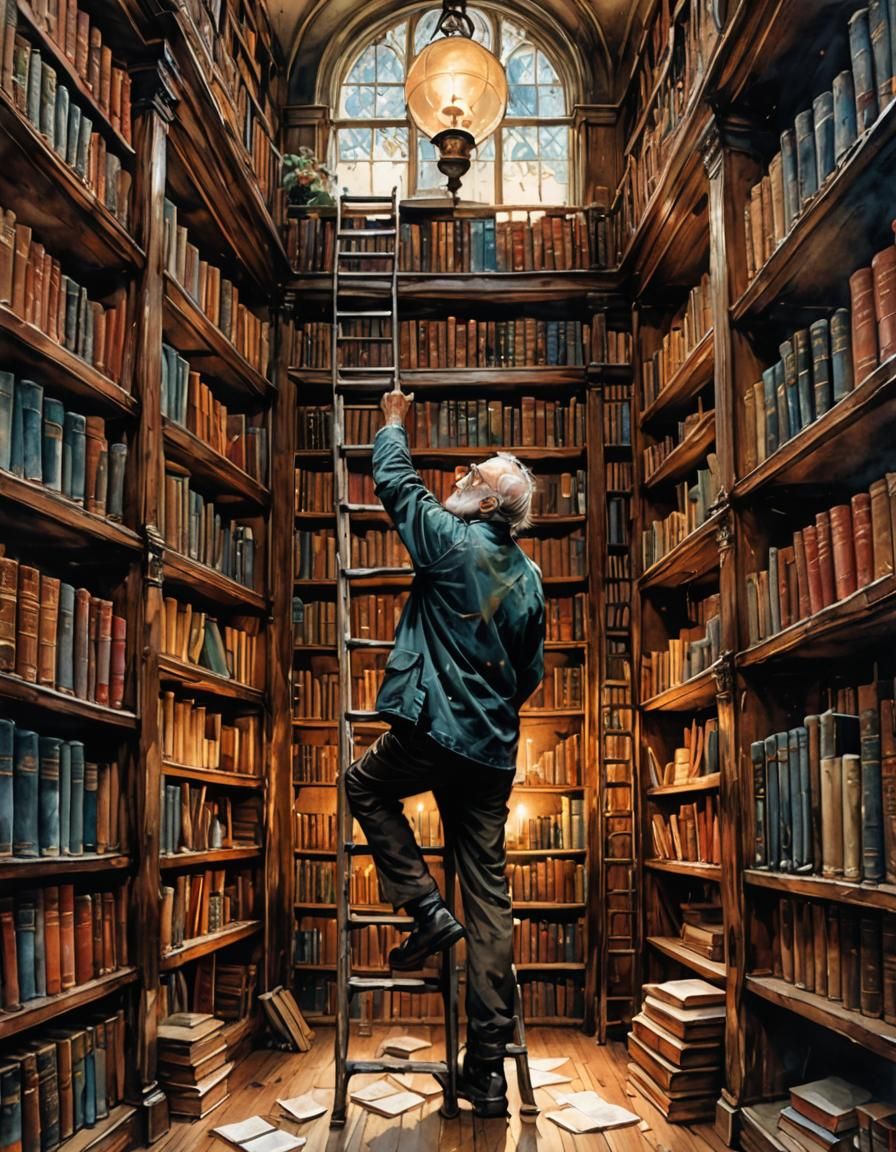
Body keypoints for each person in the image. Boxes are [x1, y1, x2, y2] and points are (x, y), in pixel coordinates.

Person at [344, 385, 545, 1118]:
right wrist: (487, 712)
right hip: (490, 754)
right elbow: (529, 673)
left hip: (432, 732)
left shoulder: (450, 540)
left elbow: (396, 484)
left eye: (474, 475)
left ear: (489, 504)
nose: (460, 474)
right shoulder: (531, 579)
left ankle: (424, 908)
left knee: (362, 785)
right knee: (490, 904)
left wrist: (394, 422)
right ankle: (487, 1075)